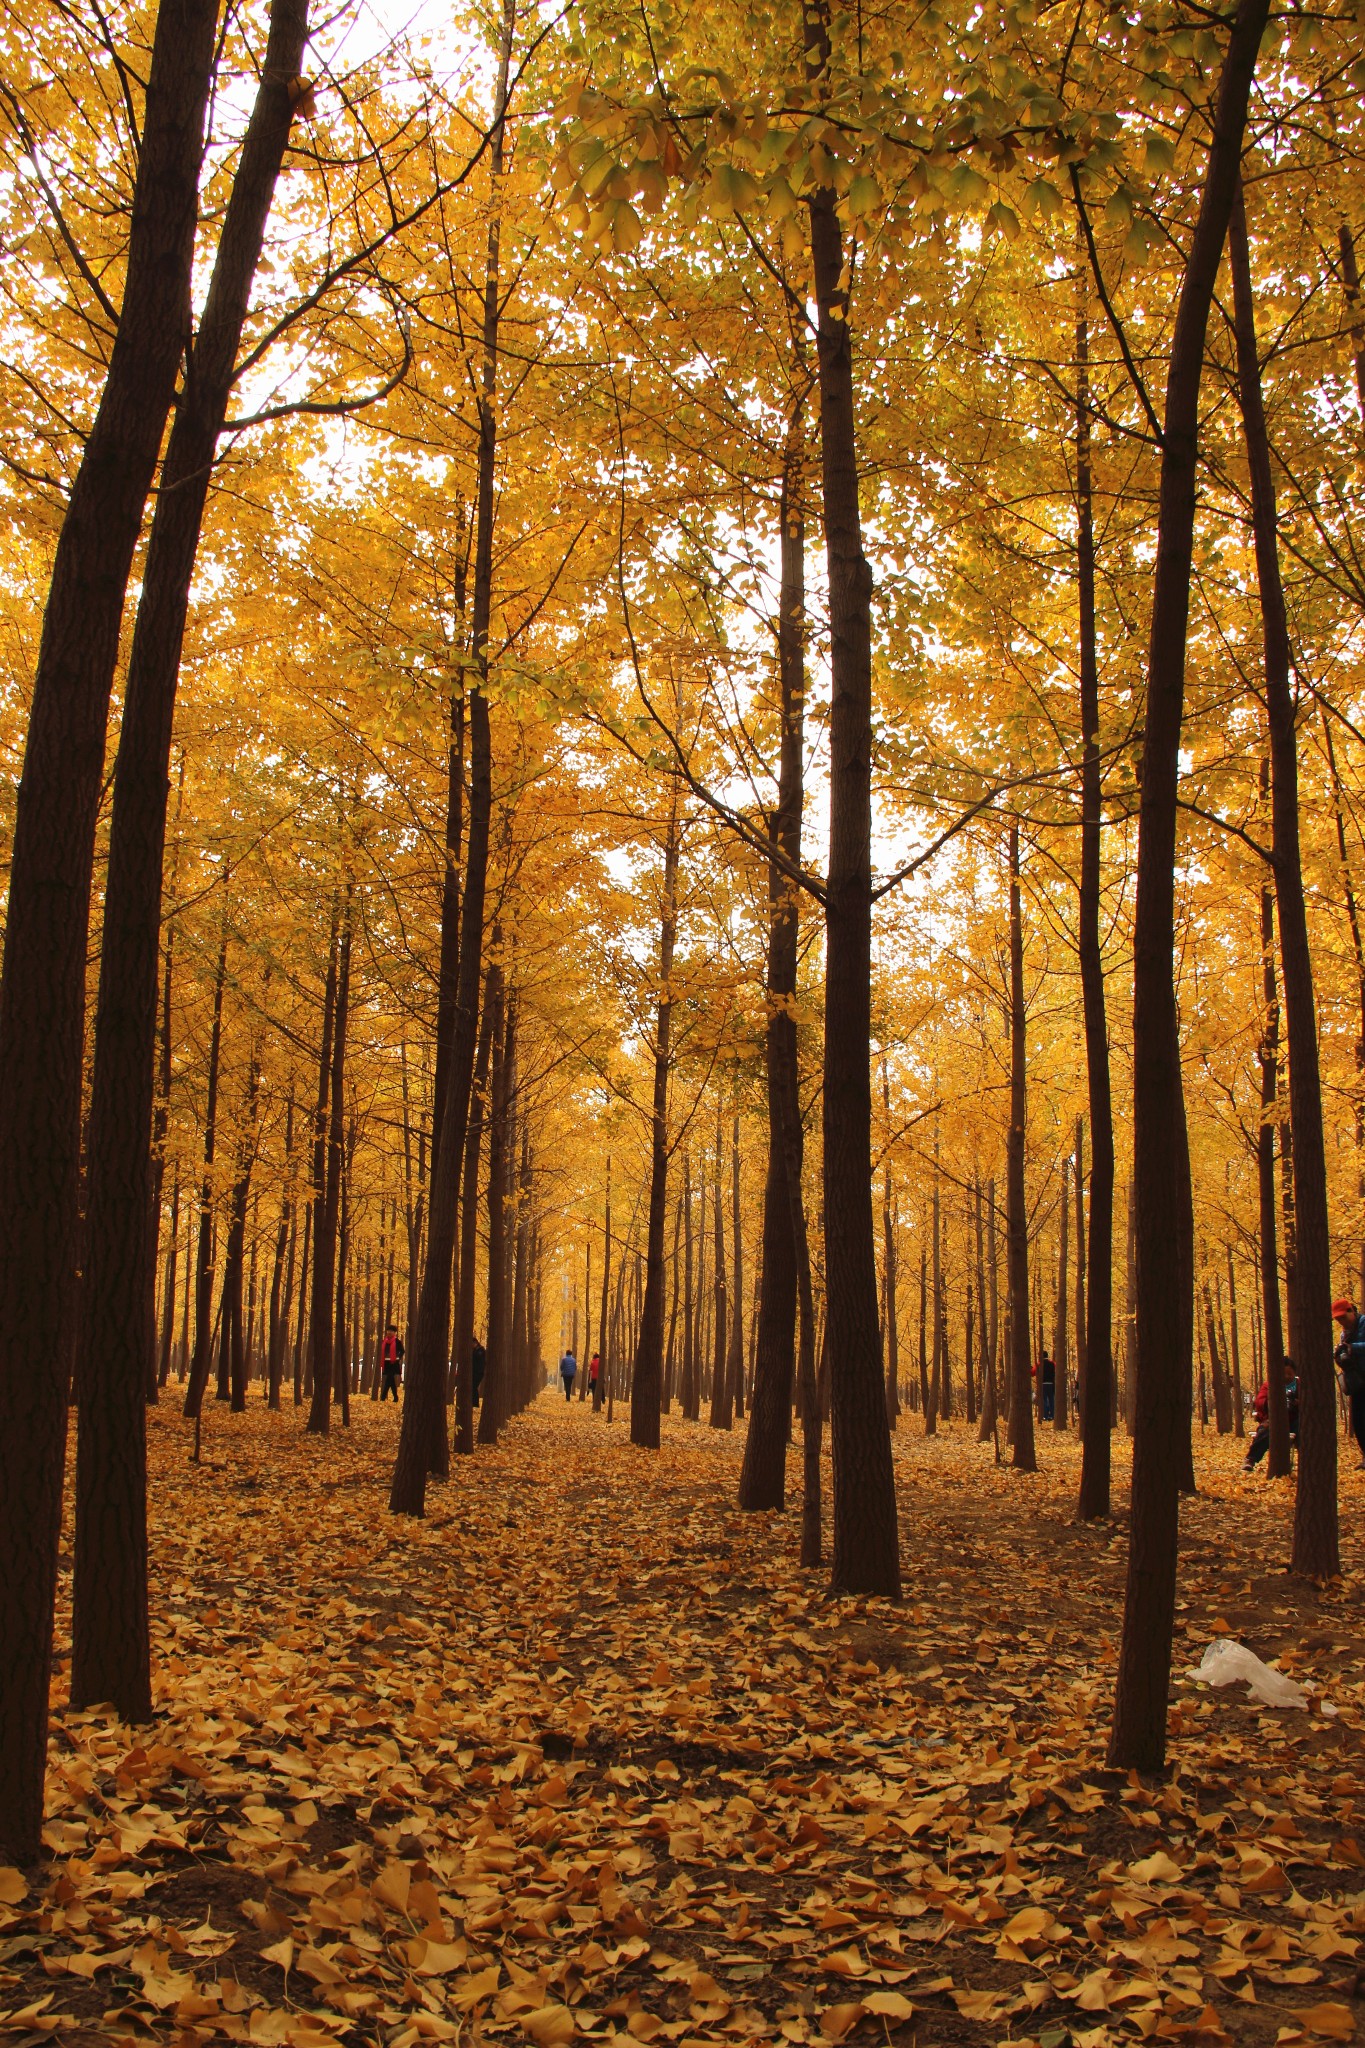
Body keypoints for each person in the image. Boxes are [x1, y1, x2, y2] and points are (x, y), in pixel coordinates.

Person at [1243, 1359, 1298, 1471]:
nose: (1287, 1376)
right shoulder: (1269, 1385)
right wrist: (1273, 1401)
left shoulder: (1300, 1384)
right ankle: (1251, 1459)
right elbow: (1259, 1402)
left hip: (1295, 1420)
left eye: (1290, 1373)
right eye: (1284, 1373)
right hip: (1274, 1420)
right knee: (1265, 1431)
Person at [1333, 1299, 1365, 1466]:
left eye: (1343, 1318)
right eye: (1338, 1320)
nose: (1341, 1322)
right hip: (1357, 1380)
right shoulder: (1344, 1334)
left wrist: (1355, 1347)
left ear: (1351, 1311)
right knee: (1358, 1420)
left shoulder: (1363, 1323)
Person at [380, 1323, 404, 1402]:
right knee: (391, 1381)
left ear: (394, 1333)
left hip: (393, 1363)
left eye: (391, 1331)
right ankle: (395, 1397)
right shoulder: (384, 1341)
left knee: (388, 1379)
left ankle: (383, 1397)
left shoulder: (397, 1342)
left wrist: (398, 1358)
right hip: (386, 1363)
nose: (389, 1332)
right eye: (388, 1331)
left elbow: (402, 1351)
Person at [1039, 1351, 1056, 1422]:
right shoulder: (1053, 1364)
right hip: (1051, 1384)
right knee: (1051, 1400)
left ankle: (1045, 1416)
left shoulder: (1040, 1364)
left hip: (1043, 1384)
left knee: (1045, 1400)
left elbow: (1033, 1372)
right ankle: (1051, 1416)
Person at [471, 1341, 486, 1408]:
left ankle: (475, 1403)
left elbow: (479, 1359)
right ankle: (474, 1403)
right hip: (475, 1372)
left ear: (476, 1343)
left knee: (474, 1386)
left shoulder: (481, 1350)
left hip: (479, 1372)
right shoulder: (475, 1350)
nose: (472, 1345)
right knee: (473, 1387)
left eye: (473, 1343)